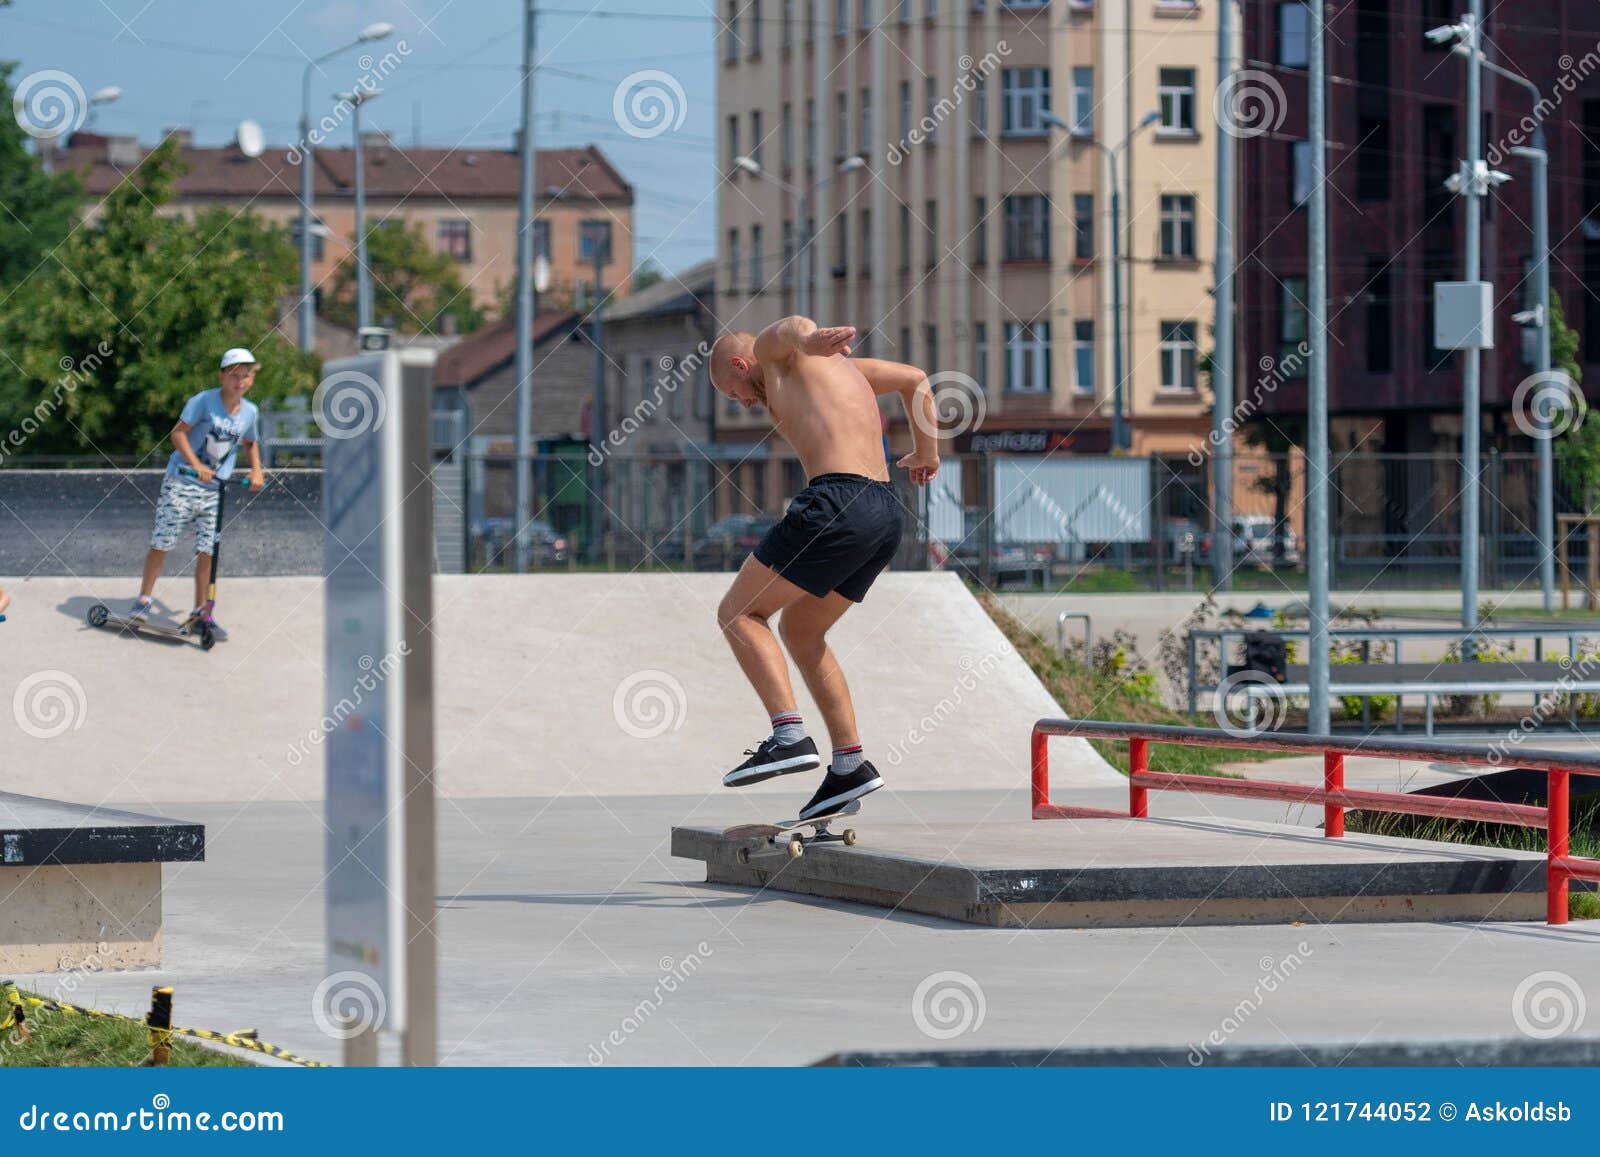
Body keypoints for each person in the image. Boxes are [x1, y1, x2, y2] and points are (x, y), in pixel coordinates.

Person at [709, 316, 940, 820]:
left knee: (739, 614)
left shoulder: (775, 357)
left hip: (837, 502)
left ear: (741, 365)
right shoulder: (848, 371)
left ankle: (789, 735)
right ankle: (849, 765)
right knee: (802, 631)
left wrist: (809, 338)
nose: (746, 405)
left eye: (736, 394)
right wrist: (926, 452)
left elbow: (787, 328)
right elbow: (915, 379)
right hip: (884, 514)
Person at [131, 347, 264, 640]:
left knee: (208, 551)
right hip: (182, 480)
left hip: (214, 490)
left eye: (246, 376)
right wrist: (196, 465)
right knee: (163, 541)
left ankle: (201, 610)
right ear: (222, 376)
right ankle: (143, 598)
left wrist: (257, 470)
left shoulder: (250, 411)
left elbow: (251, 442)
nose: (240, 382)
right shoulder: (203, 402)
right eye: (234, 376)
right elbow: (177, 433)